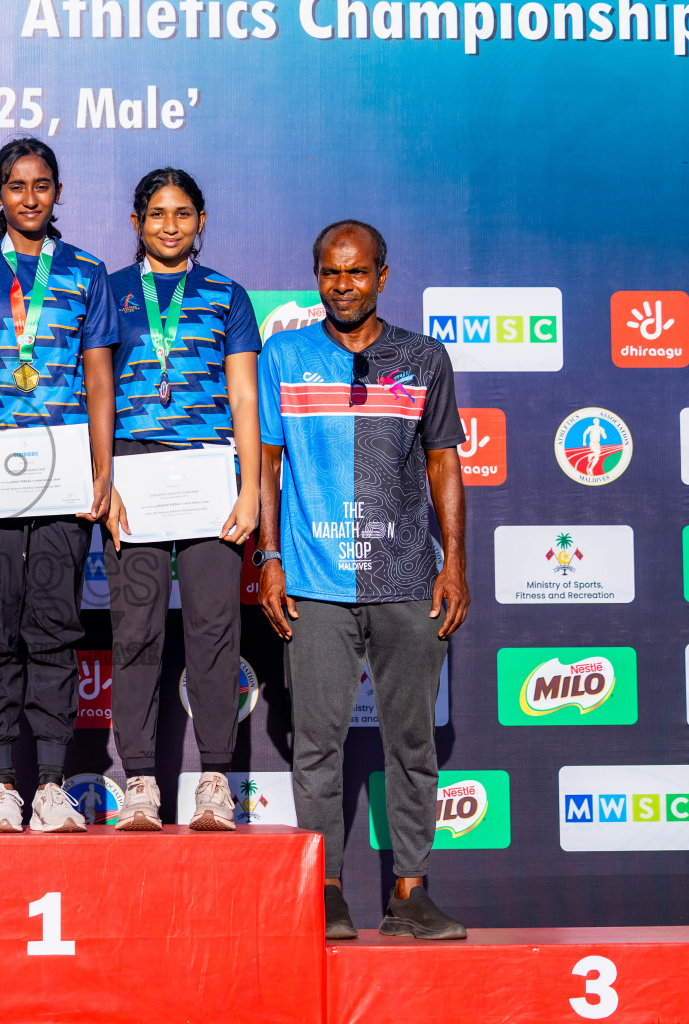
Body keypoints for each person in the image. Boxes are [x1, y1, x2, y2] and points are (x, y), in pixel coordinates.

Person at [258, 220, 470, 940]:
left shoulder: (423, 357)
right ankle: (324, 892)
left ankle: (411, 895)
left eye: (356, 272)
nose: (342, 285)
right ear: (315, 276)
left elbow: (445, 462)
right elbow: (266, 466)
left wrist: (456, 564)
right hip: (315, 580)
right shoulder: (284, 354)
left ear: (383, 274)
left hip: (409, 577)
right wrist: (268, 557)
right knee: (315, 744)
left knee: (413, 741)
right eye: (329, 272)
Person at [0, 137, 117, 833]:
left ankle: (49, 784)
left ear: (58, 193)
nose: (30, 197)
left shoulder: (85, 272)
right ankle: (3, 787)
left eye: (43, 185)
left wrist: (102, 469)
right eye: (17, 186)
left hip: (64, 470)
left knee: (52, 627)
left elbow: (99, 377)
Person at [100, 168, 261, 831]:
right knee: (136, 630)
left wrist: (250, 488)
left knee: (214, 631)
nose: (170, 224)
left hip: (208, 468)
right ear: (136, 222)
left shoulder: (227, 294)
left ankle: (215, 780)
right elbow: (95, 394)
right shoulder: (107, 292)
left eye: (183, 213)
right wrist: (102, 480)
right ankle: (139, 781)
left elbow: (246, 395)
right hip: (132, 469)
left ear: (202, 221)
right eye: (157, 213)